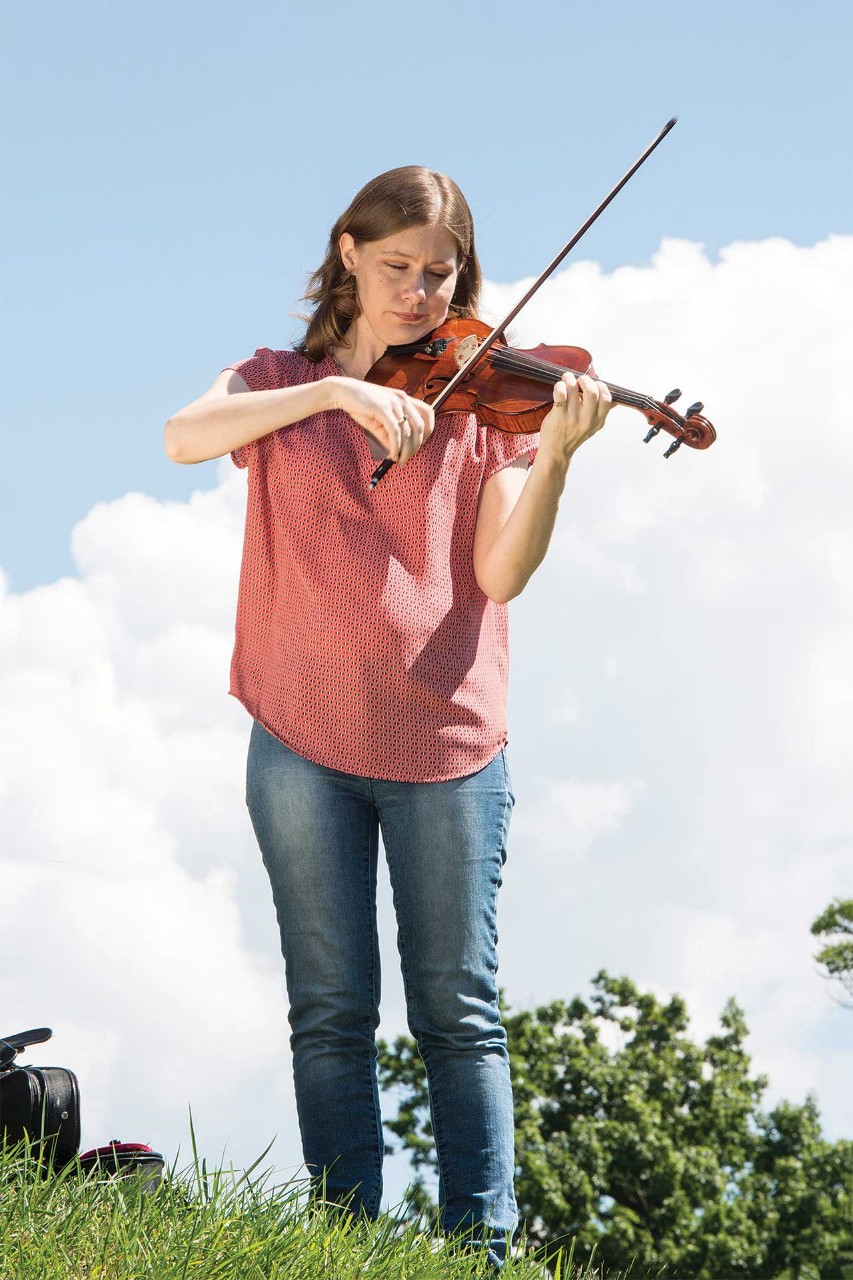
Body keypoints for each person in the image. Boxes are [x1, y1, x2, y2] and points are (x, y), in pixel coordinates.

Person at [164, 165, 612, 1269]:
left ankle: (480, 1252)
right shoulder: (277, 382)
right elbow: (183, 433)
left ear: (463, 275)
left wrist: (551, 452)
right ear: (350, 253)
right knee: (329, 1012)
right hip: (300, 740)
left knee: (458, 1011)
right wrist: (333, 393)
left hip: (446, 745)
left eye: (439, 271)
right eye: (398, 265)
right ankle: (345, 1248)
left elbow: (502, 573)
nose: (418, 291)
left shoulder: (480, 406)